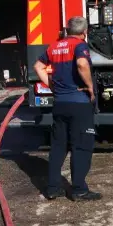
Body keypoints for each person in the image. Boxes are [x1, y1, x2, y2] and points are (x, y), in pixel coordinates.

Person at [33, 16, 101, 202]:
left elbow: (38, 66)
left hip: (60, 104)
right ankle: (79, 190)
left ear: (66, 30)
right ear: (84, 32)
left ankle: (53, 188)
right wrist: (89, 87)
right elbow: (81, 64)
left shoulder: (54, 46)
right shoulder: (80, 46)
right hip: (79, 103)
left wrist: (51, 86)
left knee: (58, 146)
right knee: (81, 146)